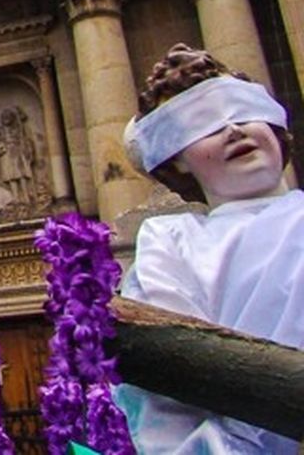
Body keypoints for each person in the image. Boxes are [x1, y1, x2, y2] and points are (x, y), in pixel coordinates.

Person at [117, 43, 303, 454]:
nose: (233, 129)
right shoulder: (174, 246)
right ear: (176, 159)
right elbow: (169, 416)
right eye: (204, 123)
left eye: (243, 112)